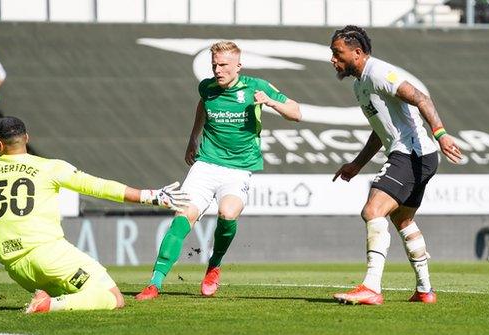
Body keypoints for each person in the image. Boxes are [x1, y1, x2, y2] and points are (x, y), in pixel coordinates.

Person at [0, 116, 190, 313]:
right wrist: (151, 196)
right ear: (26, 138)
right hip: (49, 255)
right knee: (112, 297)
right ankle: (49, 305)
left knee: (77, 295)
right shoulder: (49, 167)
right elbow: (98, 186)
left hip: (18, 268)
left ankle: (48, 299)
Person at [135, 41, 302, 300]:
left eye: (223, 65)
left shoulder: (257, 87)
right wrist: (193, 138)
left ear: (238, 65)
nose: (218, 70)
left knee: (228, 213)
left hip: (238, 169)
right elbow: (203, 105)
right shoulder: (207, 87)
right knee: (183, 217)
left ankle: (214, 265)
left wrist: (270, 102)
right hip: (206, 165)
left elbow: (296, 112)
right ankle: (154, 283)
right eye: (214, 65)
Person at [328, 26, 462, 305]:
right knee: (403, 220)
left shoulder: (378, 73)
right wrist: (356, 164)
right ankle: (425, 290)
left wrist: (440, 133)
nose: (333, 59)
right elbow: (380, 131)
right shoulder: (360, 84)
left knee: (372, 210)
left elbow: (421, 98)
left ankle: (371, 287)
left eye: (337, 53)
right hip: (416, 155)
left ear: (357, 52)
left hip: (411, 154)